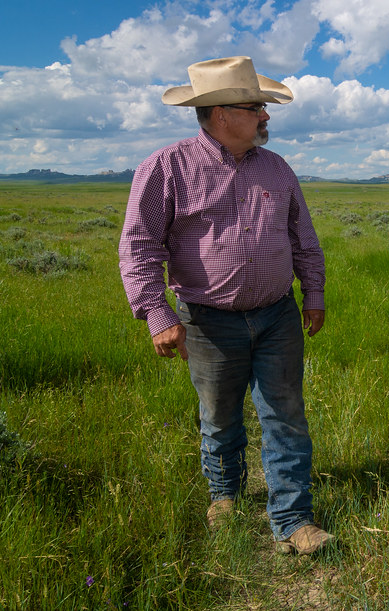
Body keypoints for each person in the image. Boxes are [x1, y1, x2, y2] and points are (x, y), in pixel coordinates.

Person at [118, 56, 333, 555]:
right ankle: (225, 494)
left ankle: (293, 520)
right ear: (220, 113)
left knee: (285, 414)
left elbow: (304, 238)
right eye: (255, 106)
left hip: (278, 314)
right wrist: (157, 312)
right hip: (208, 320)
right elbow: (140, 245)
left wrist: (313, 293)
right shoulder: (166, 167)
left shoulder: (277, 169)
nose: (265, 116)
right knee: (219, 416)